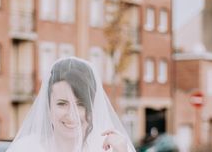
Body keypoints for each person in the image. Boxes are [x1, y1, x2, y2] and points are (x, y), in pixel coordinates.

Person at [7, 57, 135, 152]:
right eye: (62, 104)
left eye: (80, 104)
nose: (71, 114)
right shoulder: (26, 148)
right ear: (48, 106)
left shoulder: (112, 148)